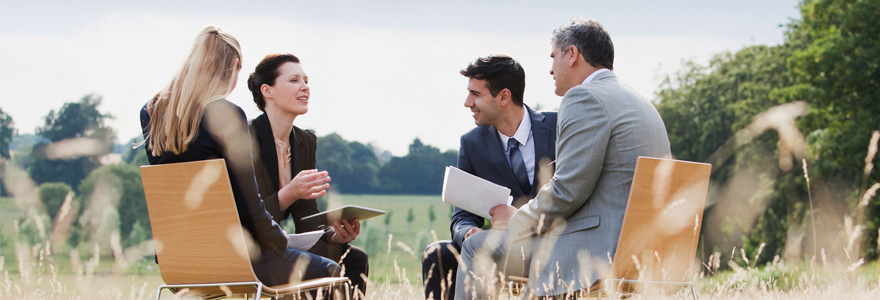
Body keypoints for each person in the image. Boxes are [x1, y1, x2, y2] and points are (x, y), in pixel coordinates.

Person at [454, 18, 672, 299]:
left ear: (572, 55)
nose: (550, 68)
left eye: (554, 56)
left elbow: (568, 190)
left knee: (476, 246)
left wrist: (516, 219)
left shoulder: (584, 98)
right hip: (643, 252)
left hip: (593, 252)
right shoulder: (639, 101)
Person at [139, 26, 340, 287]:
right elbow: (248, 203)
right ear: (234, 65)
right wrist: (279, 239)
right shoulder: (225, 114)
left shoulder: (151, 112)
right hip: (235, 261)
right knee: (330, 270)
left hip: (178, 263)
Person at [421, 55, 557, 300]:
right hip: (497, 250)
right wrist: (467, 232)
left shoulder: (559, 127)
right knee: (437, 254)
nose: (467, 102)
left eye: (476, 94)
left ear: (504, 97)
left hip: (553, 246)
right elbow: (462, 215)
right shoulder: (472, 143)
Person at [247, 53, 370, 295]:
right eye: (294, 80)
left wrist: (335, 235)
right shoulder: (245, 138)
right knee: (324, 267)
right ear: (267, 91)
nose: (305, 87)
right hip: (250, 249)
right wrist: (289, 193)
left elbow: (306, 219)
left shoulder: (305, 141)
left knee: (355, 259)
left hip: (280, 246)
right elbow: (245, 217)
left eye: (306, 80)